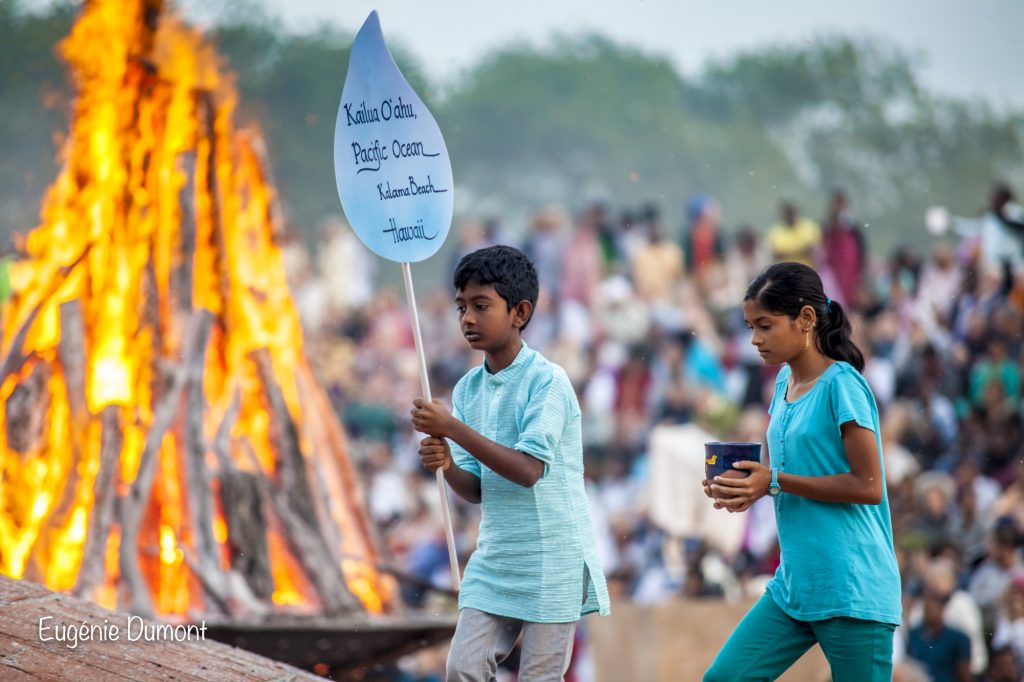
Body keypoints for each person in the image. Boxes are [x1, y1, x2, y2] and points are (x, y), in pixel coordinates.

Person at [410, 245, 610, 681]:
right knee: (462, 668)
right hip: (497, 559)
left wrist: (454, 430)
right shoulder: (466, 390)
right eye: (462, 306)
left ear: (519, 312)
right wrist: (446, 463)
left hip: (553, 558)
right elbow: (476, 488)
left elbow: (527, 471)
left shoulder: (548, 382)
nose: (467, 318)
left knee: (539, 678)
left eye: (482, 306)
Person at [701, 262, 902, 681]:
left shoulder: (843, 385)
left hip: (851, 587)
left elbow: (868, 486)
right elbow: (790, 472)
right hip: (794, 586)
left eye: (765, 325)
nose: (754, 339)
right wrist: (744, 488)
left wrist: (772, 481)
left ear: (806, 319)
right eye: (750, 327)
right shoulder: (782, 383)